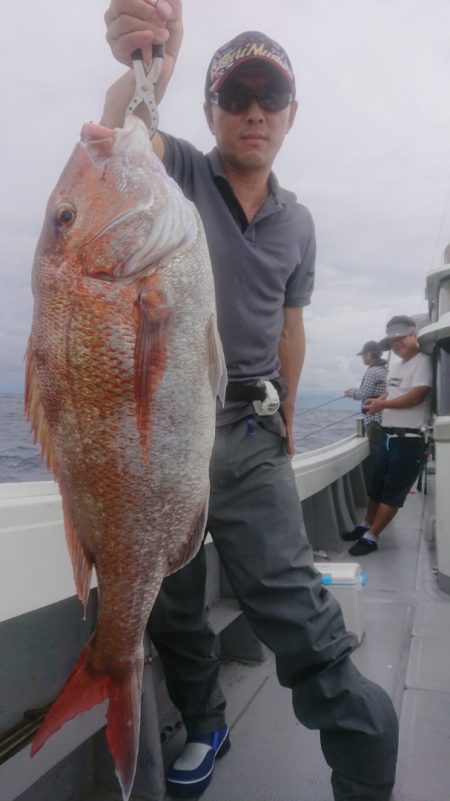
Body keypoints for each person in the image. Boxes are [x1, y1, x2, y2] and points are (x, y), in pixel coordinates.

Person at [102, 4, 398, 799]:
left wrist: (288, 416)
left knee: (293, 602)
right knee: (171, 599)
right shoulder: (177, 169)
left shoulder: (299, 222)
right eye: (236, 97)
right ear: (210, 113)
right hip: (166, 431)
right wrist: (147, 64)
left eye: (271, 97)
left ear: (292, 113)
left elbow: (290, 326)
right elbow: (120, 141)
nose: (255, 111)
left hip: (252, 428)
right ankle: (205, 718)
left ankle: (362, 754)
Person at [343, 316, 432, 556]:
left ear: (414, 335)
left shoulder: (423, 362)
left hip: (410, 440)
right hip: (388, 436)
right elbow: (390, 392)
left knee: (393, 490)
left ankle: (372, 537)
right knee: (377, 485)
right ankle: (366, 525)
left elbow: (417, 396)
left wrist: (382, 405)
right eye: (392, 341)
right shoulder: (396, 366)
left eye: (401, 338)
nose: (396, 344)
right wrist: (377, 401)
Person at [344, 340, 387, 466]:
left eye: (363, 355)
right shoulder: (384, 370)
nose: (362, 358)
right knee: (383, 455)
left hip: (374, 420)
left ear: (369, 354)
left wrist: (351, 392)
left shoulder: (372, 371)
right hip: (384, 419)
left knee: (376, 457)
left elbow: (364, 393)